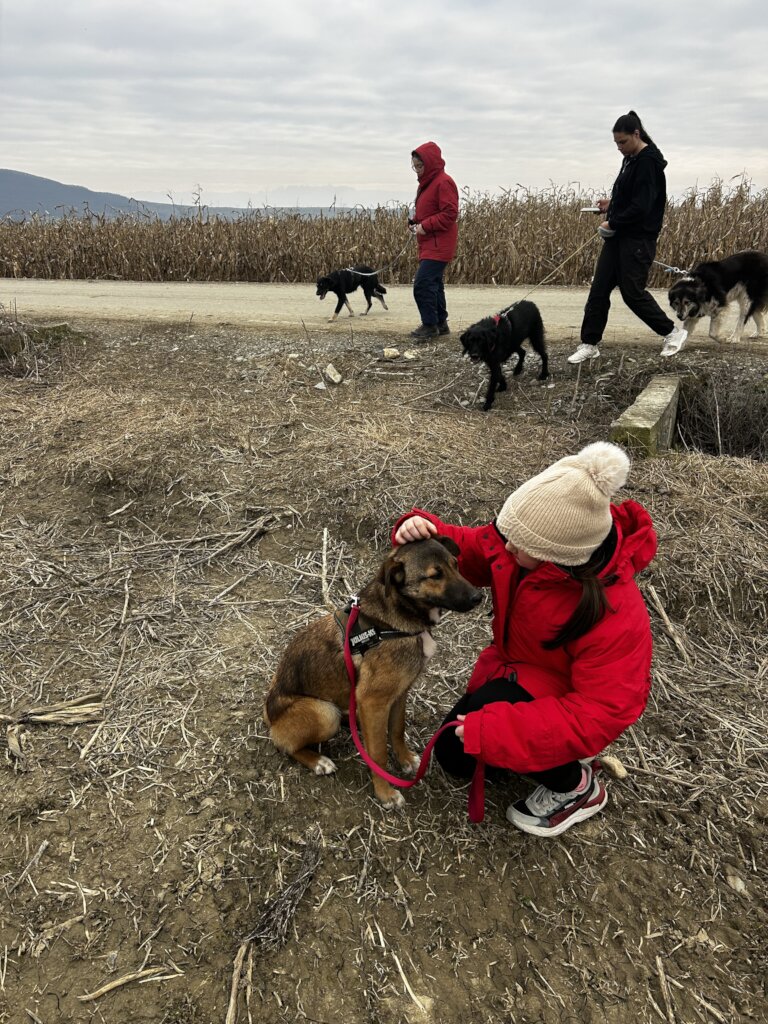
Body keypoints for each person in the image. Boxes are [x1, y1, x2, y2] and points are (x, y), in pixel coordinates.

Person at [392, 441, 657, 837]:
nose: (507, 544)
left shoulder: (615, 613)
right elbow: (479, 547)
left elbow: (603, 710)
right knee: (454, 758)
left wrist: (503, 733)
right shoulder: (523, 546)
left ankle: (577, 787)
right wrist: (426, 532)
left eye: (520, 542)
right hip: (516, 674)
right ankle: (525, 747)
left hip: (567, 701)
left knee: (484, 744)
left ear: (560, 556)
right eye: (507, 531)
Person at [568, 111, 688, 364]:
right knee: (599, 290)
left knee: (632, 293)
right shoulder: (631, 159)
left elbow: (643, 207)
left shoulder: (648, 162)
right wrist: (610, 205)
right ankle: (589, 343)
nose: (620, 148)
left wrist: (613, 220)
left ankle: (672, 333)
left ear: (636, 134)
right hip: (618, 237)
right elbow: (631, 198)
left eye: (623, 142)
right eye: (616, 144)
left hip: (638, 240)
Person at [408, 142, 459, 340]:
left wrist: (426, 226)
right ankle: (440, 323)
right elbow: (430, 211)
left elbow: (449, 214)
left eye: (419, 166)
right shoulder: (428, 183)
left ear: (430, 164)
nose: (417, 171)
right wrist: (415, 222)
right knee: (434, 284)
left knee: (422, 284)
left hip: (439, 244)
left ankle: (429, 325)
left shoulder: (443, 182)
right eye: (414, 167)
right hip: (430, 243)